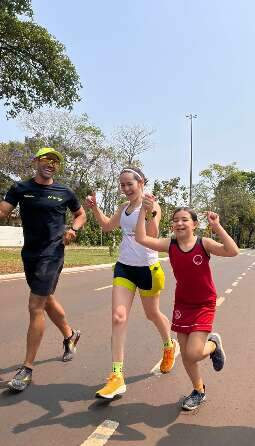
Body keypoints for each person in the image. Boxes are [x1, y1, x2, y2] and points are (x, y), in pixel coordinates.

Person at [136, 198, 238, 410]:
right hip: (183, 304)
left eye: (184, 220)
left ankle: (213, 345)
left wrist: (217, 226)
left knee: (193, 352)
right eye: (175, 220)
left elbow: (232, 251)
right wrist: (143, 212)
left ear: (194, 224)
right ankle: (199, 390)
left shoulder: (204, 243)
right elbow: (141, 238)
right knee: (186, 354)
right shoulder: (170, 244)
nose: (179, 223)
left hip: (203, 304)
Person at [85, 167, 177, 400]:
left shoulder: (151, 205)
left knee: (152, 314)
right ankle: (116, 376)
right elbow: (107, 226)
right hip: (124, 267)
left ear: (141, 183)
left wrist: (148, 214)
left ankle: (169, 345)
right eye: (122, 185)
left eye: (129, 184)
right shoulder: (123, 208)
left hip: (147, 268)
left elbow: (153, 235)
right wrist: (95, 207)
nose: (125, 189)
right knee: (118, 317)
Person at [0, 147, 86, 392]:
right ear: (36, 161)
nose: (51, 163)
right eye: (47, 159)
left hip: (53, 253)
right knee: (46, 299)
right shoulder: (20, 189)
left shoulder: (64, 192)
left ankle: (27, 368)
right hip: (30, 254)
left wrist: (74, 230)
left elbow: (80, 215)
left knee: (35, 305)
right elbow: (3, 211)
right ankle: (70, 335)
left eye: (56, 161)